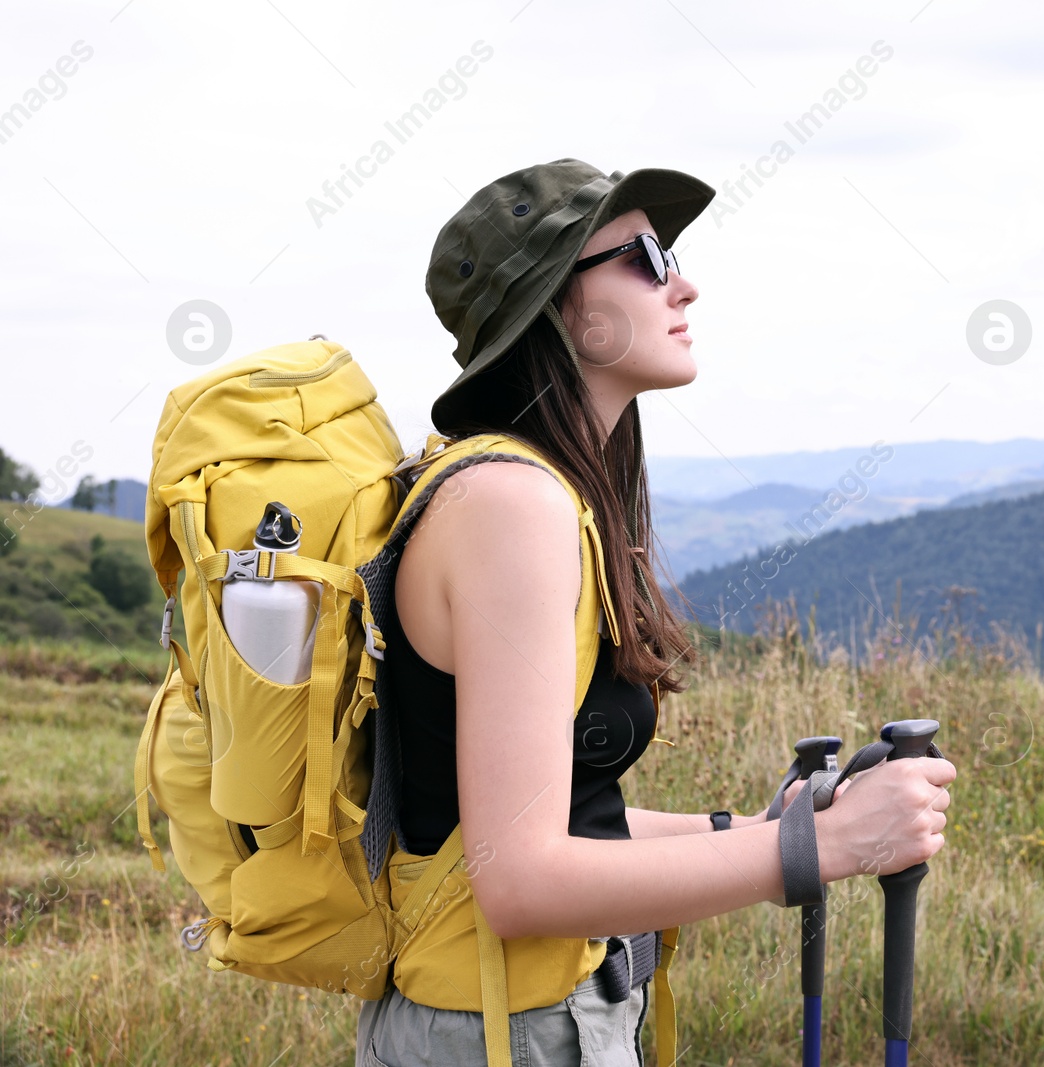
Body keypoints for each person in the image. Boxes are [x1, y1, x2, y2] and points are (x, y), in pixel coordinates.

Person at [355, 159, 957, 1066]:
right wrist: (823, 846)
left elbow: (566, 825)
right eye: (642, 255)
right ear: (559, 307)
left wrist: (767, 828)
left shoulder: (534, 494)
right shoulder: (512, 509)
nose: (683, 281)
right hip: (497, 1033)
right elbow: (520, 880)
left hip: (523, 1019)